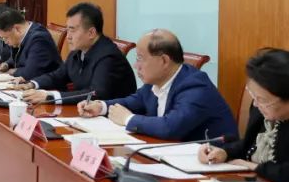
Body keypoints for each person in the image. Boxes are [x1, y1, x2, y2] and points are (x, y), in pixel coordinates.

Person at [78, 29, 235, 141]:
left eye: (140, 58)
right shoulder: (156, 81)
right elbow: (134, 101)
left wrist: (128, 119)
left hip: (215, 165)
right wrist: (101, 106)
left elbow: (171, 127)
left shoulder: (195, 86)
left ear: (164, 61)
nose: (135, 65)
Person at [199, 48, 289, 182]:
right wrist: (224, 152)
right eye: (253, 96)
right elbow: (248, 144)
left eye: (262, 100)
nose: (256, 104)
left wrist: (255, 167)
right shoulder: (260, 110)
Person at [16, 3, 136, 104]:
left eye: (72, 30)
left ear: (91, 33)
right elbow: (58, 76)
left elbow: (96, 94)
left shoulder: (109, 57)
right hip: (85, 112)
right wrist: (32, 84)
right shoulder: (78, 51)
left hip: (111, 119)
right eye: (67, 30)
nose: (68, 36)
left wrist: (50, 96)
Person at [0, 8, 61, 80]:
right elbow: (20, 58)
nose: (5, 42)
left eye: (6, 38)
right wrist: (6, 65)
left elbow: (30, 73)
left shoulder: (39, 39)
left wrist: (10, 72)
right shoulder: (23, 35)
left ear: (17, 29)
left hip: (47, 85)